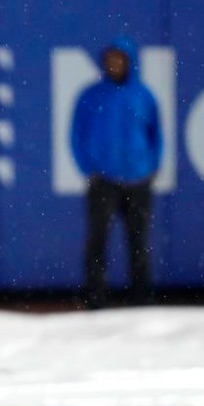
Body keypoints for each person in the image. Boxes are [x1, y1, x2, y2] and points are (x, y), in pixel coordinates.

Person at [70, 36, 163, 309]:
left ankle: (142, 299)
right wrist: (90, 169)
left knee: (139, 241)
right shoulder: (91, 96)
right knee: (97, 240)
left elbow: (156, 134)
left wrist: (151, 166)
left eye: (119, 59)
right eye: (110, 59)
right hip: (104, 181)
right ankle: (96, 298)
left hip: (138, 180)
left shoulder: (143, 95)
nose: (114, 64)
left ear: (129, 62)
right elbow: (77, 136)